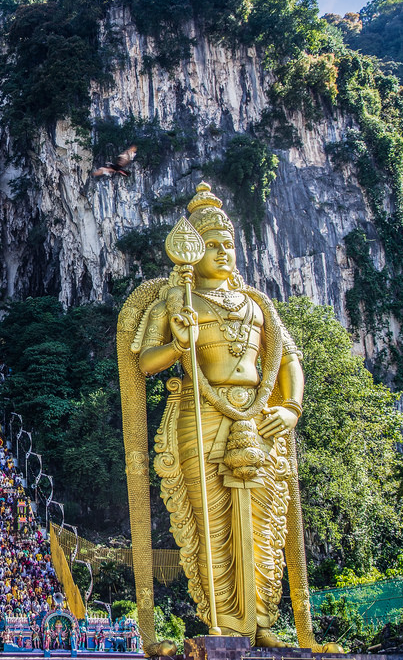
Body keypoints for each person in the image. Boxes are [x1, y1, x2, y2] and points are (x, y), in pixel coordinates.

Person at [132, 184, 303, 647]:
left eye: (229, 244)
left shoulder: (258, 304)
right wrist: (177, 344)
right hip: (199, 412)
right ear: (191, 252)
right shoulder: (177, 302)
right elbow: (143, 361)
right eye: (212, 245)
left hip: (259, 414)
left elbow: (287, 360)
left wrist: (289, 407)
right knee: (210, 522)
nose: (223, 253)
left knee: (264, 519)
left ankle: (263, 621)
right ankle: (223, 621)